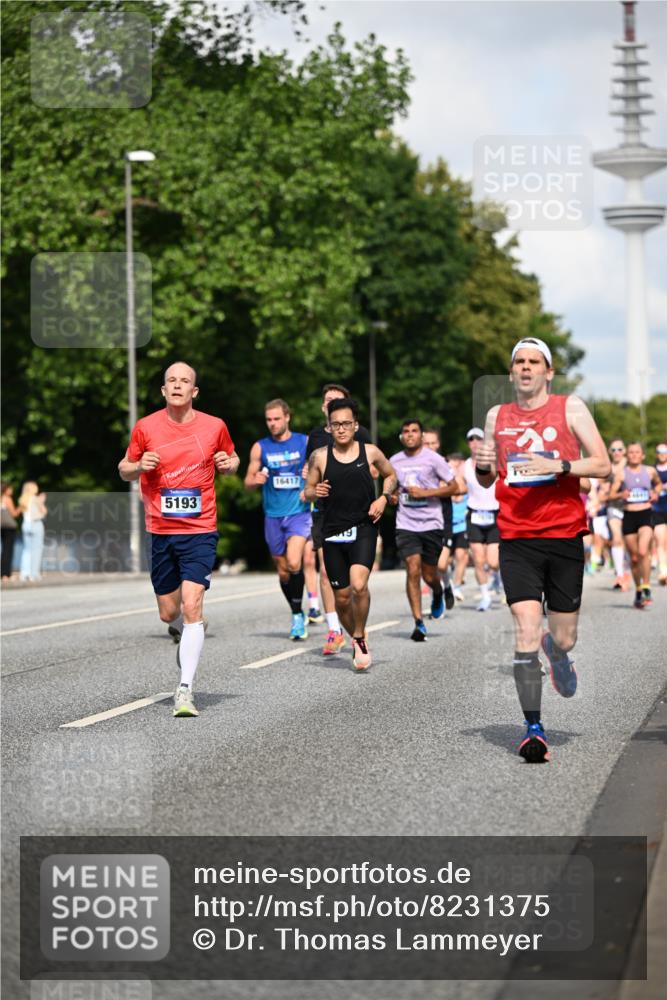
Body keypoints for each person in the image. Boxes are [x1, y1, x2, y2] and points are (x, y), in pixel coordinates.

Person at [475, 337, 610, 763]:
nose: (527, 368)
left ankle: (560, 652)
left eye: (535, 361)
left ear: (548, 371)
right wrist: (482, 464)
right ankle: (533, 728)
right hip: (516, 539)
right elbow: (485, 480)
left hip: (565, 536)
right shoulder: (498, 415)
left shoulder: (570, 409)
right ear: (512, 371)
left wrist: (559, 466)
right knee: (525, 633)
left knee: (564, 637)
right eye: (520, 362)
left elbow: (603, 464)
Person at [118, 362, 239, 718]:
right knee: (168, 611)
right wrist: (139, 467)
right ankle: (183, 628)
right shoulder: (146, 427)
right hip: (161, 530)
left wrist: (227, 464)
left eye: (184, 381)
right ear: (163, 390)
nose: (177, 385)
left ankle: (184, 689)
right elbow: (123, 467)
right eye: (171, 380)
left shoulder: (214, 426)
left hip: (200, 528)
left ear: (194, 392)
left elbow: (232, 459)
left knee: (192, 602)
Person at [304, 398, 396, 671]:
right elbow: (307, 489)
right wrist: (314, 491)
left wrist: (383, 498)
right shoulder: (319, 456)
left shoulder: (370, 452)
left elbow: (391, 475)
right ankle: (357, 636)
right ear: (329, 427)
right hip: (333, 531)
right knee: (342, 597)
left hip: (364, 526)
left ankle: (359, 634)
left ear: (355, 425)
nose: (341, 429)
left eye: (346, 423)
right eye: (336, 424)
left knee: (358, 585)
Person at [306, 383, 373, 656]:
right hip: (325, 513)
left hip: (357, 516)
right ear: (324, 408)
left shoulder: (362, 435)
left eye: (337, 400)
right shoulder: (315, 438)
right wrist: (313, 485)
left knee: (356, 583)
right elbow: (308, 477)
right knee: (324, 570)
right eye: (328, 400)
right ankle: (335, 629)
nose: (331, 403)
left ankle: (357, 628)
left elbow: (374, 468)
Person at [245, 399, 311, 640]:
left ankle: (297, 620)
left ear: (287, 417)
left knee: (294, 562)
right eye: (269, 420)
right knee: (283, 571)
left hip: (299, 512)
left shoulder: (304, 442)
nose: (272, 424)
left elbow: (321, 468)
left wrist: (310, 476)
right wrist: (255, 481)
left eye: (277, 419)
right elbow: (248, 482)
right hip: (272, 515)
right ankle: (297, 611)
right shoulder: (260, 447)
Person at [389, 420, 457, 640]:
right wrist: (392, 496)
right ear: (402, 436)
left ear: (420, 436)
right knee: (412, 568)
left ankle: (437, 592)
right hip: (406, 524)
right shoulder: (395, 461)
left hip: (431, 524)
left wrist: (426, 493)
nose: (410, 435)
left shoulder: (433, 459)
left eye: (414, 431)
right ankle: (418, 623)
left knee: (429, 574)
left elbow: (454, 487)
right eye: (406, 432)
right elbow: (391, 489)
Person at [609, 442, 662, 608]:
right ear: (627, 455)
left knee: (642, 550)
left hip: (645, 514)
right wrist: (621, 494)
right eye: (630, 452)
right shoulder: (621, 474)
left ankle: (646, 587)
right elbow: (611, 494)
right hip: (629, 515)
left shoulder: (650, 471)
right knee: (633, 557)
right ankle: (638, 589)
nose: (633, 455)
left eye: (637, 452)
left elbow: (658, 484)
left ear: (642, 455)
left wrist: (656, 493)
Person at [463, 427, 501, 611]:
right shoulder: (464, 466)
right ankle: (485, 596)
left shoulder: (495, 462)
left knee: (493, 562)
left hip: (495, 513)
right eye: (471, 439)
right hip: (474, 514)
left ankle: (497, 576)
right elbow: (457, 486)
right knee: (478, 559)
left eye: (479, 439)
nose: (475, 442)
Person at [422, 429, 459, 609]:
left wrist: (445, 487)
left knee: (442, 564)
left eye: (432, 443)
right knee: (429, 567)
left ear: (438, 444)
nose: (429, 447)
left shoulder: (445, 464)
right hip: (422, 520)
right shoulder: (415, 463)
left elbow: (460, 487)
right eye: (426, 443)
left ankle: (447, 584)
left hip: (443, 519)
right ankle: (437, 598)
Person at [606, 439, 629, 590]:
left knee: (629, 543)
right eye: (613, 450)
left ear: (625, 451)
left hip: (631, 509)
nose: (617, 452)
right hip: (613, 507)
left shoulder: (631, 464)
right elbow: (601, 488)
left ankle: (626, 569)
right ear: (609, 452)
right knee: (616, 538)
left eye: (619, 449)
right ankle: (619, 575)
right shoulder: (607, 468)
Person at [18, 482, 47, 582]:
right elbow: (43, 512)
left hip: (26, 524)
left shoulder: (22, 499)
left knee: (27, 550)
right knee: (37, 550)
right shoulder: (36, 499)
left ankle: (24, 573)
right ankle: (34, 574)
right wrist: (42, 501)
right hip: (36, 524)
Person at [653, 443, 667, 585]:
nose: (662, 454)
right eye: (659, 451)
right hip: (657, 510)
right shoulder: (652, 470)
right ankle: (664, 572)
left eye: (665, 451)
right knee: (660, 541)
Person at [1, 483, 20, 580]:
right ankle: (6, 574)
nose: (12, 490)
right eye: (10, 489)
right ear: (6, 489)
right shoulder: (8, 499)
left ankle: (3, 573)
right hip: (9, 527)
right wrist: (21, 508)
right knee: (8, 551)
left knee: (4, 550)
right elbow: (14, 514)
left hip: (2, 527)